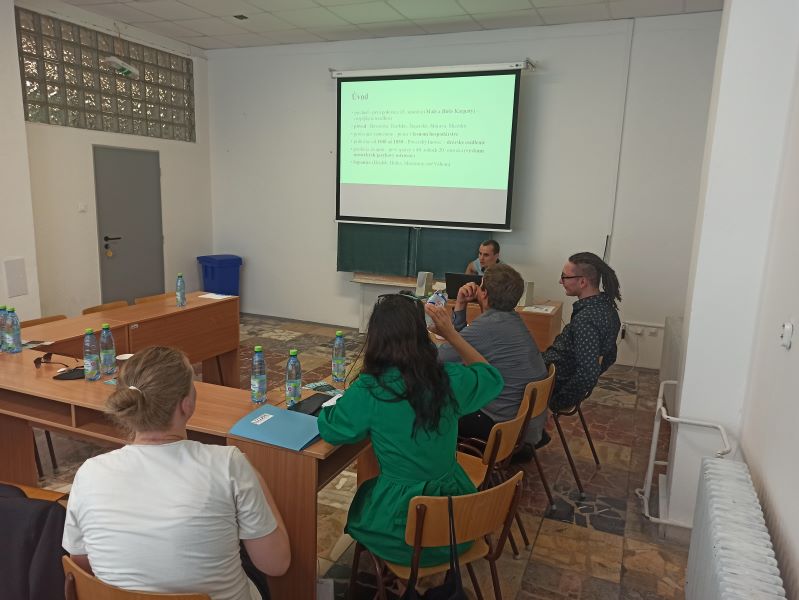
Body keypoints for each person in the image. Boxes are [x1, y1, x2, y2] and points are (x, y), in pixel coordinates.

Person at [62, 346, 290, 600]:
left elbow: (81, 564)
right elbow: (276, 564)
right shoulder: (228, 463)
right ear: (187, 405)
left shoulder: (89, 473)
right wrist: (254, 477)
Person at [317, 294, 503, 567]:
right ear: (422, 335)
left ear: (376, 338)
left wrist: (332, 407)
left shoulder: (370, 388)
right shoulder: (448, 379)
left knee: (363, 503)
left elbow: (332, 430)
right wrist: (452, 335)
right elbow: (492, 378)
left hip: (401, 531)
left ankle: (403, 580)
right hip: (456, 522)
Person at [437, 264, 549, 453]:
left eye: (480, 285)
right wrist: (461, 305)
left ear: (484, 293)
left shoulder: (487, 327)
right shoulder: (512, 319)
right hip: (524, 426)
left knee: (434, 404)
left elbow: (440, 358)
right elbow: (463, 346)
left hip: (500, 428)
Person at [544, 252, 622, 412]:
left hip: (550, 382)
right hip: (554, 372)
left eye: (565, 277)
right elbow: (610, 355)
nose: (560, 281)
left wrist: (554, 405)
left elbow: (587, 373)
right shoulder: (607, 309)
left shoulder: (586, 320)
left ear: (582, 282)